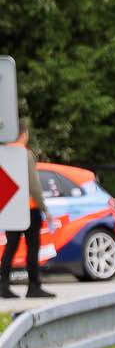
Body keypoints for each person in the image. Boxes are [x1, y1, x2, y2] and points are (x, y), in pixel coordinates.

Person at [1, 120, 49, 300]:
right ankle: (34, 286)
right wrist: (44, 208)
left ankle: (3, 285)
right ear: (24, 134)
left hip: (11, 208)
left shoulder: (4, 153)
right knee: (32, 247)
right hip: (30, 209)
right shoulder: (25, 154)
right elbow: (34, 185)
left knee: (10, 247)